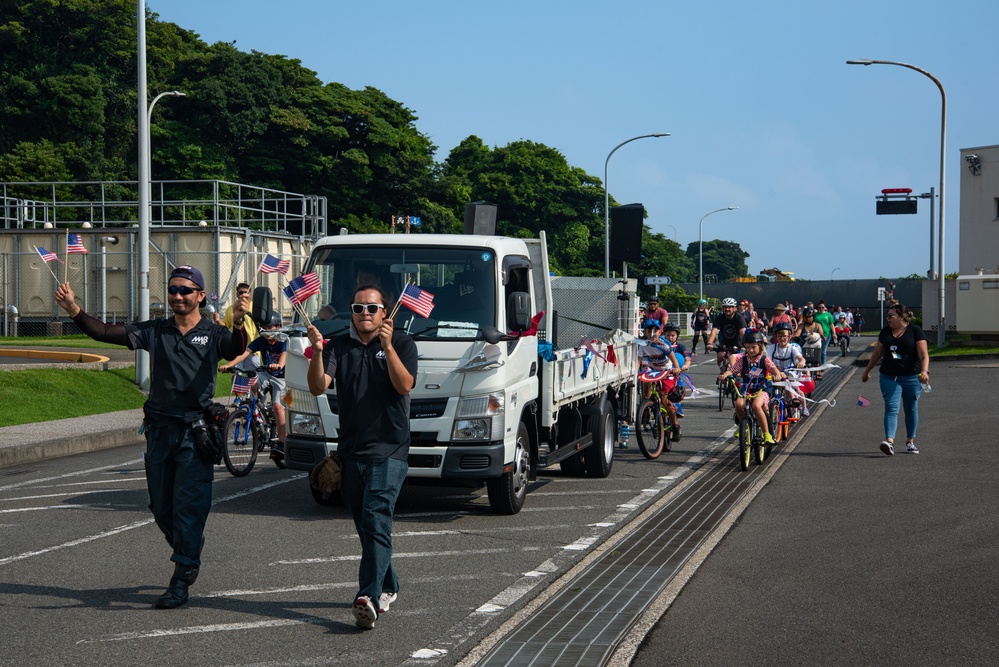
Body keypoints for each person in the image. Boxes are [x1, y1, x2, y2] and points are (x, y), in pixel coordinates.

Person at [55, 265, 249, 609]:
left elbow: (234, 349)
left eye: (185, 290)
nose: (177, 296)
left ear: (200, 296)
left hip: (195, 433)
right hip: (159, 431)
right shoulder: (156, 331)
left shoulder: (213, 333)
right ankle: (188, 546)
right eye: (173, 289)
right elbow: (104, 332)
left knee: (189, 506)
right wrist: (74, 310)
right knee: (161, 508)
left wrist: (237, 321)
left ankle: (181, 578)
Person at [305, 284, 418, 629]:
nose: (365, 314)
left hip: (390, 450)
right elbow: (317, 386)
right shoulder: (339, 344)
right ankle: (390, 585)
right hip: (351, 452)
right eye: (358, 308)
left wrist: (387, 346)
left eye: (372, 308)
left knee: (375, 518)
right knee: (367, 527)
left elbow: (405, 385)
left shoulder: (402, 343)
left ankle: (367, 597)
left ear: (385, 312)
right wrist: (316, 351)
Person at [861, 302, 929, 456]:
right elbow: (878, 353)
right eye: (887, 316)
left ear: (902, 317)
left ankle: (910, 442)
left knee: (911, 409)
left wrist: (925, 371)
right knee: (891, 408)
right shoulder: (885, 332)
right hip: (889, 376)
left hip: (912, 377)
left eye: (891, 316)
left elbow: (923, 354)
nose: (888, 319)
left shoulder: (915, 331)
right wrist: (867, 370)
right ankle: (889, 442)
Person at [220, 311, 288, 463]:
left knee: (278, 407)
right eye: (264, 327)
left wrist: (279, 365)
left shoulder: (284, 340)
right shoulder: (260, 341)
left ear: (278, 327)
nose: (267, 330)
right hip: (266, 373)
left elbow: (283, 357)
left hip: (282, 377)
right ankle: (258, 413)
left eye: (270, 327)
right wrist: (229, 365)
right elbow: (244, 354)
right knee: (253, 381)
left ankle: (282, 442)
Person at [718, 329, 784, 443]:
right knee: (739, 404)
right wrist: (725, 375)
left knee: (757, 406)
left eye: (753, 347)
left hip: (762, 389)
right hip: (746, 389)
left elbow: (774, 370)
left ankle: (766, 433)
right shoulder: (743, 360)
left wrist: (777, 375)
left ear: (760, 346)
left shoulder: (765, 359)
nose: (750, 350)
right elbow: (733, 370)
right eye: (747, 347)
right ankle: (743, 425)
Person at [215, 282, 260, 363]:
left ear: (249, 294)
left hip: (252, 349)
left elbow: (261, 324)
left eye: (245, 292)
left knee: (253, 374)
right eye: (240, 292)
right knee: (235, 373)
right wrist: (218, 320)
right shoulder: (230, 309)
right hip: (237, 347)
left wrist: (248, 312)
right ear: (237, 294)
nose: (243, 294)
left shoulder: (255, 307)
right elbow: (226, 326)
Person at [706, 297, 748, 368]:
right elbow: (714, 332)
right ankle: (723, 372)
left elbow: (742, 332)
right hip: (724, 344)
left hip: (738, 345)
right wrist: (709, 343)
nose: (727, 309)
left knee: (739, 365)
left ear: (734, 308)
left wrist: (746, 345)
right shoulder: (720, 318)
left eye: (730, 307)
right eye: (725, 307)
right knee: (720, 356)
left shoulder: (739, 318)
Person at [661, 322, 690, 418]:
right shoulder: (660, 345)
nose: (670, 337)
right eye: (668, 335)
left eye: (673, 335)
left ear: (677, 336)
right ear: (664, 334)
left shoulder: (681, 347)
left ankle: (677, 406)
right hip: (662, 372)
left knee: (679, 387)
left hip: (676, 373)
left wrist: (685, 365)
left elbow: (688, 358)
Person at [813, 301, 835, 365]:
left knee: (823, 351)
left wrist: (834, 333)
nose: (821, 308)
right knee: (817, 350)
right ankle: (817, 363)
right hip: (817, 335)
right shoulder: (815, 315)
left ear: (824, 307)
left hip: (826, 334)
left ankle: (823, 364)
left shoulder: (828, 315)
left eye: (822, 307)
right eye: (819, 307)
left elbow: (831, 324)